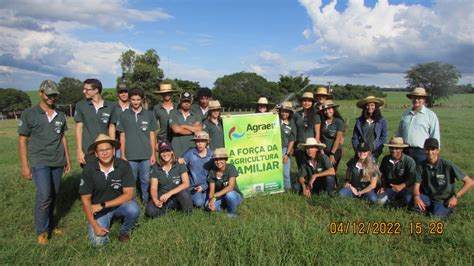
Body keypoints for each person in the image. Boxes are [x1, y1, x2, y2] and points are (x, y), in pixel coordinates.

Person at [18, 80, 71, 245]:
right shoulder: (29, 114)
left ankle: (51, 226)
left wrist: (67, 160)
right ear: (41, 93)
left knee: (53, 195)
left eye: (54, 95)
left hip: (57, 161)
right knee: (44, 196)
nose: (52, 98)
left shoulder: (60, 115)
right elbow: (22, 140)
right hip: (39, 161)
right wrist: (25, 165)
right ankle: (42, 232)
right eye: (49, 94)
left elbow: (62, 138)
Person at [79, 134, 140, 247]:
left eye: (107, 149)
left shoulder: (124, 165)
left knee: (134, 209)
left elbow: (129, 194)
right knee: (98, 243)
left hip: (118, 205)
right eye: (101, 150)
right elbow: (85, 200)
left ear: (113, 151)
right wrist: (95, 225)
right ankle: (103, 230)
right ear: (96, 154)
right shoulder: (88, 169)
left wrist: (103, 205)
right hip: (99, 210)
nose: (105, 153)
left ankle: (124, 232)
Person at [411, 138, 473, 218]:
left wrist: (455, 197)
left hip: (443, 200)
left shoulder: (447, 165)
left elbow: (470, 182)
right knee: (412, 203)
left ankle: (449, 208)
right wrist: (416, 197)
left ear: (438, 150)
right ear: (424, 150)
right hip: (429, 196)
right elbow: (416, 185)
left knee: (436, 217)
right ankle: (429, 209)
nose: (430, 152)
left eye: (433, 149)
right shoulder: (420, 165)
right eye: (427, 149)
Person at [117, 88, 158, 203]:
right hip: (130, 154)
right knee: (132, 180)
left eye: (138, 100)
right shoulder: (124, 115)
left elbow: (152, 135)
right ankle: (133, 201)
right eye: (133, 99)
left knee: (145, 179)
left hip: (146, 154)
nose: (135, 102)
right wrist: (123, 155)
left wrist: (153, 154)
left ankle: (146, 200)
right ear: (129, 99)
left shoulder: (149, 114)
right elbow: (122, 136)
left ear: (142, 100)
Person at [75, 79, 117, 165]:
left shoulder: (111, 106)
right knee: (90, 177)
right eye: (84, 89)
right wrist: (79, 151)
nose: (84, 91)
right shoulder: (81, 105)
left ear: (96, 90)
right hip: (88, 150)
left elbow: (112, 127)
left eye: (87, 89)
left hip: (105, 150)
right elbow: (79, 128)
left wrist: (113, 148)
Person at [145, 140, 193, 217]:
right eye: (162, 152)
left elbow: (186, 183)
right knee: (150, 211)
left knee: (185, 194)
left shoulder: (179, 164)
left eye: (167, 150)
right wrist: (155, 200)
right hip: (162, 196)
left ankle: (186, 215)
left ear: (172, 152)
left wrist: (169, 193)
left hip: (177, 195)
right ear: (160, 154)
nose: (165, 154)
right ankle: (167, 211)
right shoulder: (156, 167)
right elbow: (153, 188)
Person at [397, 87, 440, 163]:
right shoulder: (406, 114)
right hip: (405, 151)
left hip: (422, 152)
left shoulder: (430, 115)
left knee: (420, 174)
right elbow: (399, 133)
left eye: (419, 98)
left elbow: (435, 136)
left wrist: (434, 153)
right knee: (405, 174)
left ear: (424, 100)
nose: (416, 100)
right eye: (414, 97)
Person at [377, 137, 416, 205]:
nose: (393, 150)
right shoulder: (385, 159)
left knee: (408, 200)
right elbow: (382, 175)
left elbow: (412, 178)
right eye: (391, 148)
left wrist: (402, 186)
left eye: (396, 148)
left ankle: (399, 200)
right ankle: (394, 199)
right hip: (390, 188)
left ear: (402, 149)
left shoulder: (409, 161)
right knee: (380, 201)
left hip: (405, 188)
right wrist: (383, 187)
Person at [206, 148, 243, 217]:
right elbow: (211, 191)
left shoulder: (231, 168)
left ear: (225, 159)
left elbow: (230, 187)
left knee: (229, 195)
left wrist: (215, 196)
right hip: (221, 197)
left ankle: (232, 213)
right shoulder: (212, 171)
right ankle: (222, 210)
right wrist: (211, 200)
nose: (218, 161)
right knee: (207, 205)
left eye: (221, 159)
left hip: (234, 196)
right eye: (216, 159)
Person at [182, 131, 214, 207]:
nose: (199, 143)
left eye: (202, 141)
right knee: (199, 203)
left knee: (207, 202)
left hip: (209, 185)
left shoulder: (212, 155)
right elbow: (181, 167)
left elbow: (215, 173)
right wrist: (179, 160)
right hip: (194, 187)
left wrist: (205, 186)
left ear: (207, 142)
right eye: (197, 141)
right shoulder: (189, 153)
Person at [169, 91, 202, 157]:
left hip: (193, 151)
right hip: (177, 151)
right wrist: (192, 129)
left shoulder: (196, 116)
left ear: (191, 102)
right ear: (180, 101)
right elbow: (176, 130)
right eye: (184, 101)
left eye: (188, 101)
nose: (186, 103)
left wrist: (184, 126)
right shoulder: (173, 114)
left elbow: (199, 129)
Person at [294, 92, 321, 168]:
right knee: (300, 167)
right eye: (304, 101)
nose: (307, 103)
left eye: (309, 101)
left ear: (312, 102)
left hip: (310, 147)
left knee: (310, 167)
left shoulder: (316, 114)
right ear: (301, 102)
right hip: (299, 146)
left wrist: (315, 148)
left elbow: (317, 133)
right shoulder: (297, 114)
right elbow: (294, 131)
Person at [319, 100, 345, 170]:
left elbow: (338, 139)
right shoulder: (322, 122)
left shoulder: (338, 122)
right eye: (325, 110)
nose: (327, 111)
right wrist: (321, 150)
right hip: (323, 151)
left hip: (335, 151)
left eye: (329, 109)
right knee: (322, 170)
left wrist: (332, 154)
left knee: (331, 171)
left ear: (333, 109)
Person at [278, 101, 296, 191]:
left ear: (290, 113)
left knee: (285, 173)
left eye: (287, 111)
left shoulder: (291, 124)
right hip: (272, 149)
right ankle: (275, 189)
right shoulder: (274, 119)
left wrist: (287, 154)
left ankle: (288, 190)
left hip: (284, 149)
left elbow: (292, 140)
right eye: (283, 111)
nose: (284, 113)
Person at [113, 83, 130, 158]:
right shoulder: (112, 107)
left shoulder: (134, 106)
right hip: (117, 143)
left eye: (125, 92)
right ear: (117, 94)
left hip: (131, 143)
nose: (124, 94)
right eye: (121, 92)